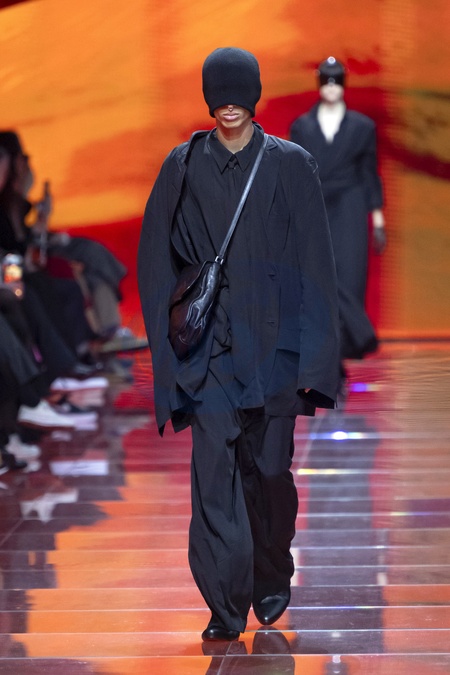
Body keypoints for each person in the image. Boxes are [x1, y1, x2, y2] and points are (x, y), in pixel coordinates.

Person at [138, 47, 340, 641]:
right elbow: (155, 263)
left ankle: (270, 567)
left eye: (239, 94)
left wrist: (317, 364)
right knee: (214, 477)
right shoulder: (182, 166)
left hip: (276, 352)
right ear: (208, 99)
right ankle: (225, 604)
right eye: (218, 94)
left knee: (270, 472)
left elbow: (317, 265)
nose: (228, 105)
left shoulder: (292, 165)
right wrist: (167, 359)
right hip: (210, 353)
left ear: (254, 96)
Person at [289, 57, 386, 382]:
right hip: (314, 204)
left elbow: (369, 173)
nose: (331, 88)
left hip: (350, 204)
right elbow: (295, 173)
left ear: (343, 84)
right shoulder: (302, 127)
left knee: (350, 275)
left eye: (336, 81)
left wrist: (377, 219)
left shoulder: (362, 127)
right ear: (319, 84)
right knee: (317, 274)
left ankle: (347, 343)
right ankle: (348, 339)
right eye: (326, 81)